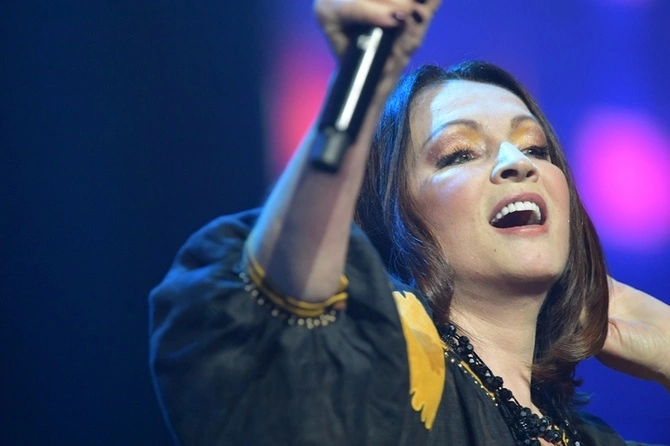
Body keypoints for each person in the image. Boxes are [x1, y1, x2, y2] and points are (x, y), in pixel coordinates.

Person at [148, 1, 670, 445]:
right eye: (459, 153)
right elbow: (275, 312)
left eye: (534, 147)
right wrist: (363, 76)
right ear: (391, 216)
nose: (517, 162)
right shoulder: (382, 385)